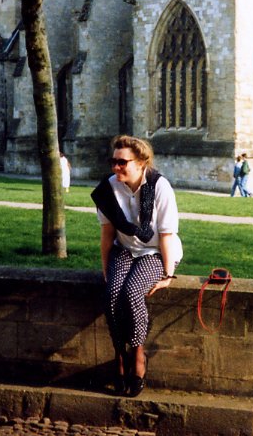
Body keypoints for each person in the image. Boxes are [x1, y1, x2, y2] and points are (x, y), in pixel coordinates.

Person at [90, 135, 182, 398]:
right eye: (113, 161)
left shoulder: (159, 186)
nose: (115, 167)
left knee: (132, 292)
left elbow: (166, 235)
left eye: (122, 162)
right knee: (111, 294)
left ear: (142, 162)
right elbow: (107, 234)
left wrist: (168, 274)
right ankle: (120, 355)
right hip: (124, 249)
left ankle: (138, 355)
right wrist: (106, 270)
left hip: (155, 251)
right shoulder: (108, 189)